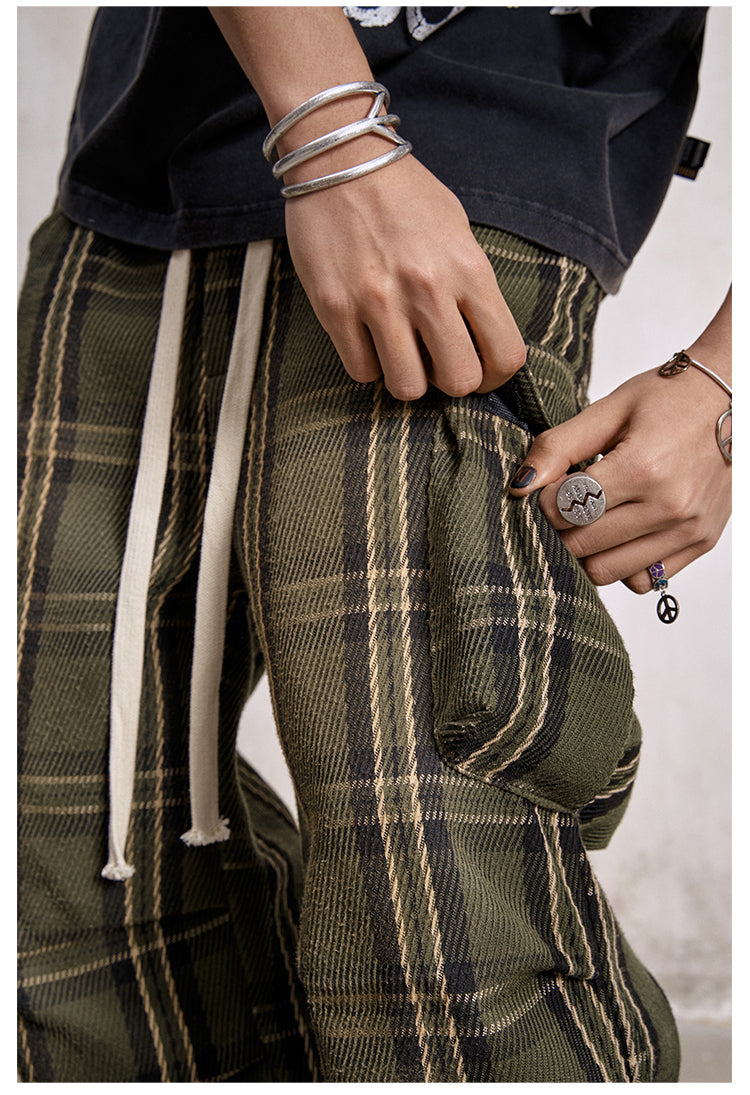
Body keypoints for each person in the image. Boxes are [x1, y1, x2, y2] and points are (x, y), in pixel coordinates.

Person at [17, 5, 731, 1082]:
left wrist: (729, 384)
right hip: (141, 179)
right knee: (59, 874)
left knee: (431, 900)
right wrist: (329, 131)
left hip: (475, 184)